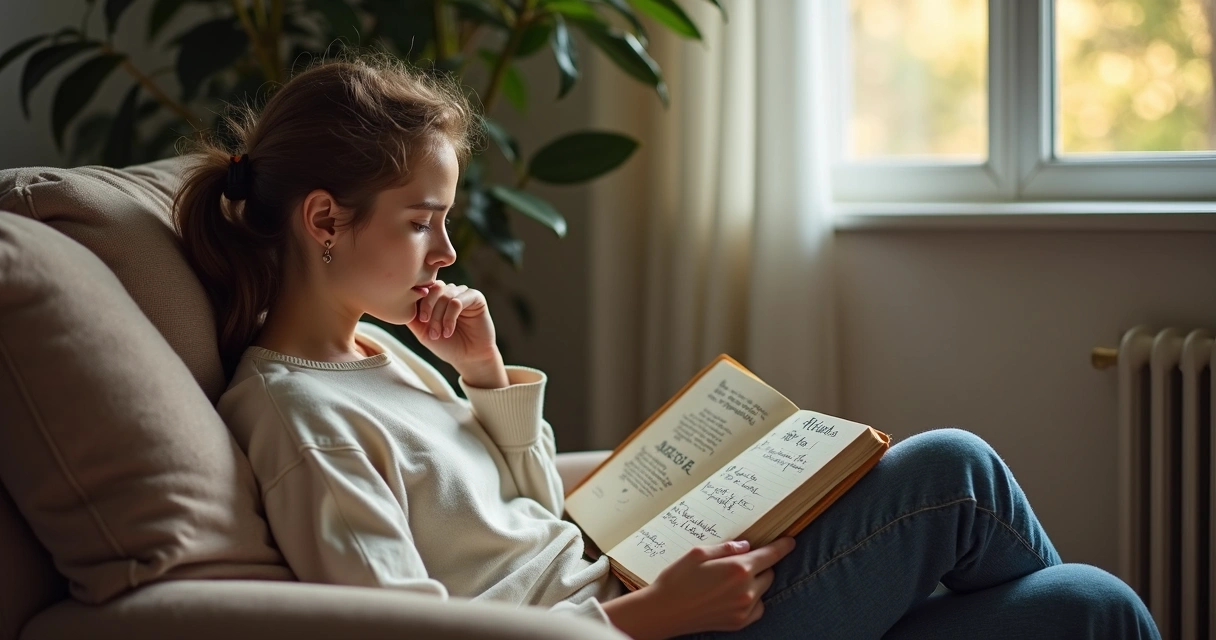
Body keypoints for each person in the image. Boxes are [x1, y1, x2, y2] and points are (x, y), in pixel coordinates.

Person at [173, 54, 1160, 640]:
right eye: (424, 220)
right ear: (324, 219)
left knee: (1088, 603)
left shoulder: (377, 355)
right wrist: (649, 618)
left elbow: (523, 523)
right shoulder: (297, 417)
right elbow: (414, 630)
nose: (447, 249)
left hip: (635, 594)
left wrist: (482, 382)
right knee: (955, 472)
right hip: (644, 632)